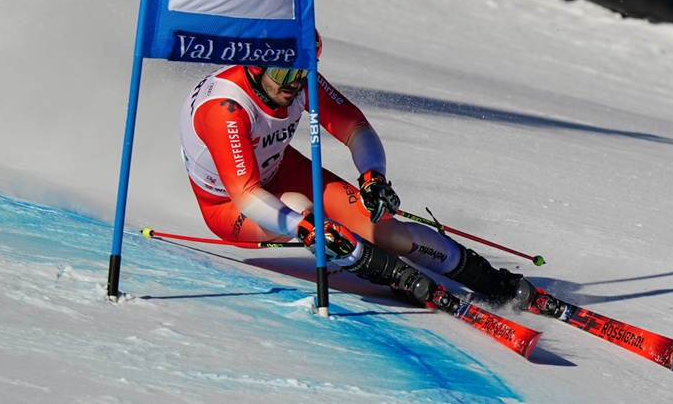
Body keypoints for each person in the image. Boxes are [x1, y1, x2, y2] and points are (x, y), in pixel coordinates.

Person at [178, 33, 561, 315]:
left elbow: (355, 129)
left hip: (280, 169)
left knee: (387, 228)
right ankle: (393, 276)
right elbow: (245, 193)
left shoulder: (295, 80)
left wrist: (372, 176)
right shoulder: (226, 109)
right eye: (284, 72)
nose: (294, 83)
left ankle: (493, 281)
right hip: (231, 205)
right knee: (302, 211)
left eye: (302, 72)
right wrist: (302, 227)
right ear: (257, 66)